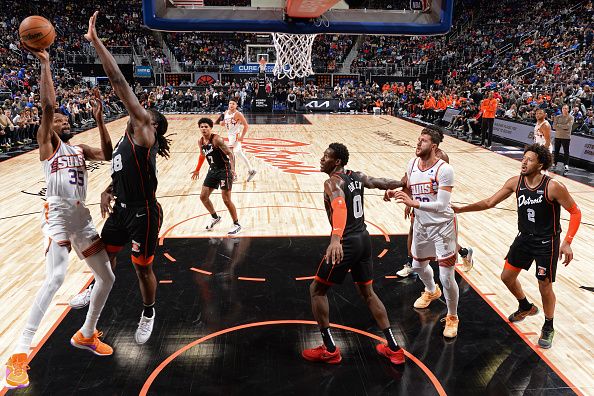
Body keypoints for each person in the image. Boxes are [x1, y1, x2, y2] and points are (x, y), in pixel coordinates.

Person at [5, 47, 115, 390]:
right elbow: (48, 106)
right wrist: (46, 63)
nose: (63, 122)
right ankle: (19, 353)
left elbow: (109, 154)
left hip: (81, 218)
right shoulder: (46, 145)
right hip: (56, 217)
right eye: (58, 120)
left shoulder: (79, 150)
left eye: (66, 121)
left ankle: (85, 333)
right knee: (54, 279)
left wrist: (99, 119)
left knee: (107, 277)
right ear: (49, 125)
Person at [69, 12, 171, 345]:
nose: (143, 115)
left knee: (142, 268)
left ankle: (149, 311)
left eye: (148, 117)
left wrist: (96, 42)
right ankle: (92, 290)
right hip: (122, 210)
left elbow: (118, 83)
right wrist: (107, 189)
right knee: (103, 255)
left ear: (149, 124)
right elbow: (112, 160)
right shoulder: (124, 144)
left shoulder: (143, 134)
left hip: (143, 212)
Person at [453, 144, 581, 348]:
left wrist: (567, 242)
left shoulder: (553, 186)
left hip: (547, 242)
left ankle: (548, 325)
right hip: (524, 238)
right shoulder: (515, 183)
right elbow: (489, 202)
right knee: (507, 277)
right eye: (523, 158)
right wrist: (461, 209)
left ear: (540, 164)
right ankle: (525, 306)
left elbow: (575, 212)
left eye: (529, 159)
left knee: (544, 285)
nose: (524, 162)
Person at [302, 143, 406, 365]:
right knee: (368, 293)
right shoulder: (356, 176)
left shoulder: (333, 182)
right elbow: (381, 183)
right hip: (364, 240)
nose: (322, 159)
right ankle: (394, 348)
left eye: (326, 156)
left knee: (317, 290)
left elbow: (339, 207)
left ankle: (330, 349)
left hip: (347, 242)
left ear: (337, 161)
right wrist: (401, 182)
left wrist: (336, 239)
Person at [385, 127, 460, 338]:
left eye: (423, 141)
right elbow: (410, 187)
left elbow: (442, 204)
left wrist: (413, 202)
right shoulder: (411, 164)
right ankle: (431, 291)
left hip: (443, 226)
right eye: (418, 140)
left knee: (446, 276)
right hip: (421, 224)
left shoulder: (444, 169)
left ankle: (453, 316)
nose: (418, 144)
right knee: (418, 266)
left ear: (434, 146)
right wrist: (396, 192)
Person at [396, 128, 473, 277]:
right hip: (419, 206)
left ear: (434, 143)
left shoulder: (442, 159)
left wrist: (416, 202)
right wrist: (409, 200)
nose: (420, 142)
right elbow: (409, 180)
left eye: (424, 139)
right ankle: (410, 263)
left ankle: (463, 252)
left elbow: (438, 187)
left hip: (436, 208)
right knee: (413, 230)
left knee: (440, 239)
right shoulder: (416, 161)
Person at [192, 117, 241, 235]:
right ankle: (215, 217)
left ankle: (236, 224)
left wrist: (233, 170)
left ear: (210, 128)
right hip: (213, 171)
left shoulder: (216, 140)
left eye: (206, 127)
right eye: (201, 127)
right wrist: (197, 169)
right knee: (203, 196)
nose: (204, 129)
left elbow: (230, 153)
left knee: (226, 199)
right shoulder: (200, 141)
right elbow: (202, 155)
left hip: (224, 170)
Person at [220, 100, 256, 182]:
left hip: (235, 136)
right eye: (230, 103)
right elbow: (224, 123)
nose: (231, 105)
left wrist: (242, 136)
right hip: (230, 135)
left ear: (236, 105)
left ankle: (233, 175)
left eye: (233, 103)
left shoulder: (238, 114)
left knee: (230, 155)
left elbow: (246, 126)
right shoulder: (226, 112)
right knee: (239, 153)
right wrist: (222, 123)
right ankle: (251, 170)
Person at [552, 105, 574, 173]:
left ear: (568, 110)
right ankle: (554, 163)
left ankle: (566, 165)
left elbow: (567, 126)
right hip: (558, 136)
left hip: (566, 137)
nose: (564, 110)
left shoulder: (571, 117)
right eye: (563, 108)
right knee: (556, 151)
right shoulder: (558, 117)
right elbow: (554, 126)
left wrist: (559, 125)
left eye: (566, 108)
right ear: (561, 109)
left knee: (566, 152)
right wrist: (561, 126)